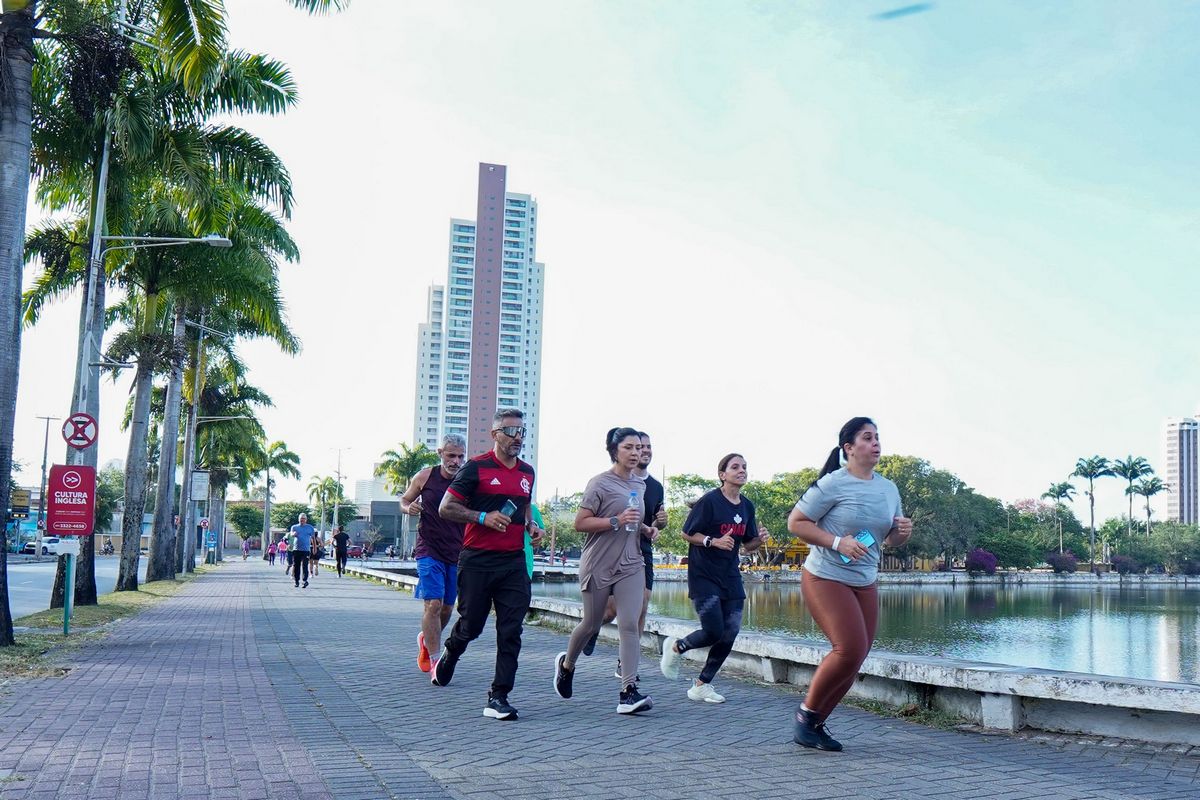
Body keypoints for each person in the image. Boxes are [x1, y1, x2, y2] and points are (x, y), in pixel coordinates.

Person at [786, 417, 912, 751]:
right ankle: (805, 716)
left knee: (856, 658)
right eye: (867, 437)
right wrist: (837, 542)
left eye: (877, 437)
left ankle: (815, 725)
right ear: (849, 448)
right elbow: (796, 523)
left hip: (865, 580)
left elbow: (890, 539)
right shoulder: (832, 484)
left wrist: (901, 533)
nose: (876, 443)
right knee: (849, 649)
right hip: (825, 576)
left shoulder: (889, 489)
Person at [433, 409, 543, 721]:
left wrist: (532, 526)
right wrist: (482, 517)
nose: (517, 437)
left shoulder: (527, 472)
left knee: (511, 630)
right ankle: (452, 650)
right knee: (472, 625)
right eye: (510, 431)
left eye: (521, 431)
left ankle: (499, 695)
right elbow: (446, 508)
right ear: (494, 434)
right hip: (477, 560)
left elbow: (524, 508)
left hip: (513, 562)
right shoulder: (475, 467)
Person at [553, 427, 659, 714]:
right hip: (598, 562)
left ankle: (628, 691)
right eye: (629, 447)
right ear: (614, 451)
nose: (636, 453)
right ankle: (567, 665)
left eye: (639, 448)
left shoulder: (640, 485)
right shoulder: (599, 483)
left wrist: (646, 529)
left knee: (630, 624)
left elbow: (632, 520)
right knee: (591, 623)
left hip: (631, 562)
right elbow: (580, 523)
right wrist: (616, 520)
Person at [660, 453, 766, 705]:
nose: (742, 470)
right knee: (713, 630)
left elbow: (747, 544)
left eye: (744, 467)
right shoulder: (710, 501)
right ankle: (677, 647)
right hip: (704, 575)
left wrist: (759, 540)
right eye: (735, 467)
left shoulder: (747, 506)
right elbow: (687, 533)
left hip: (730, 576)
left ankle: (702, 685)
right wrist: (712, 541)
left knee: (730, 632)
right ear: (722, 474)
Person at [582, 430, 669, 677]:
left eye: (647, 447)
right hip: (611, 550)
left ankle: (626, 666)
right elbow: (587, 521)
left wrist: (659, 524)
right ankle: (591, 629)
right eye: (637, 447)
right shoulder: (608, 482)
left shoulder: (654, 486)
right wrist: (617, 520)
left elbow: (652, 521)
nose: (643, 451)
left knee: (641, 606)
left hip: (641, 551)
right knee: (609, 612)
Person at [399, 433, 467, 674]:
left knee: (447, 608)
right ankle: (437, 661)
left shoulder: (467, 480)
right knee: (434, 604)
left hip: (457, 551)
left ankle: (427, 641)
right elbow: (404, 500)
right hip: (428, 549)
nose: (456, 461)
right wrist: (408, 507)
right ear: (440, 453)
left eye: (460, 456)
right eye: (451, 455)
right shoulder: (425, 476)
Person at [290, 513, 316, 588]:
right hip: (296, 549)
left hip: (306, 550)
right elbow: (291, 534)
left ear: (306, 520)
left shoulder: (310, 527)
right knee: (296, 565)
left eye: (304, 519)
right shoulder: (294, 527)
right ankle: (296, 581)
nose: (302, 520)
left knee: (305, 565)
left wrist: (314, 548)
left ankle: (305, 581)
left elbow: (313, 538)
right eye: (301, 518)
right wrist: (293, 534)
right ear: (299, 519)